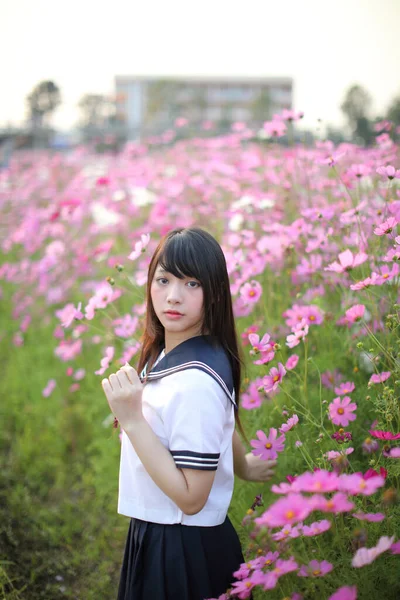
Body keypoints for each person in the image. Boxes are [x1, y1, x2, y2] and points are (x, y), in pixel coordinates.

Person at [101, 227, 275, 600]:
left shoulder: (195, 381)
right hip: (173, 535)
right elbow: (218, 425)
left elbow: (192, 498)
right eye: (163, 280)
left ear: (213, 293)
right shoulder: (188, 350)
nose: (173, 296)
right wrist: (243, 465)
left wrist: (131, 419)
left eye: (191, 283)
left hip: (180, 546)